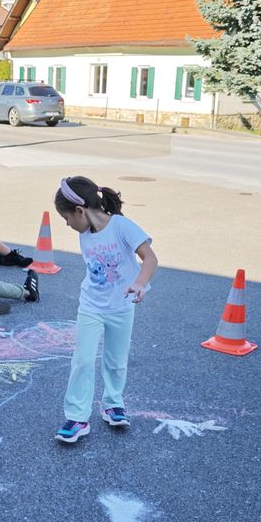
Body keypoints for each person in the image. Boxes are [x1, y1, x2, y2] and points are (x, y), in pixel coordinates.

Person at [52, 176, 158, 443]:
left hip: (122, 306)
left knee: (116, 360)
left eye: (66, 218)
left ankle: (113, 404)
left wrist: (140, 283)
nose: (67, 225)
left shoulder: (121, 226)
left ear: (80, 211)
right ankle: (77, 418)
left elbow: (150, 257)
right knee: (83, 360)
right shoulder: (85, 233)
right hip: (91, 306)